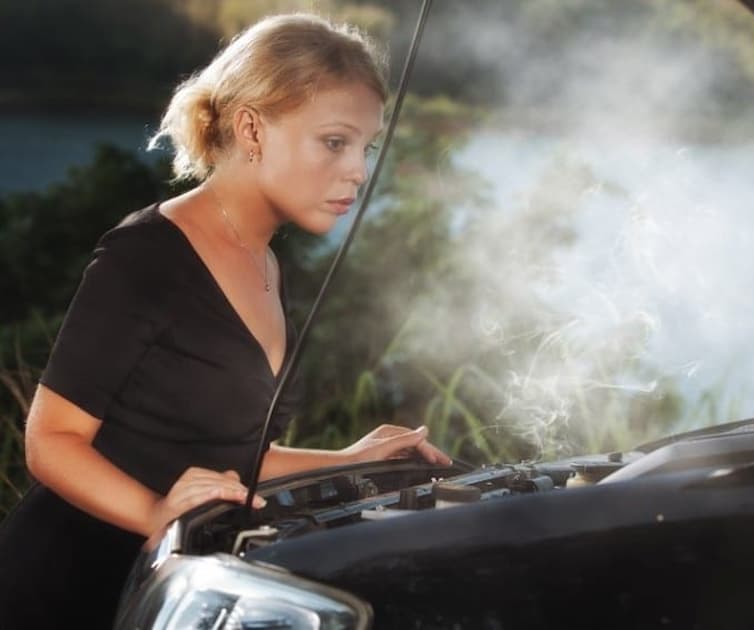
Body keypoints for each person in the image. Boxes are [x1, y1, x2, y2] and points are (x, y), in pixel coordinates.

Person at [0, 13, 450, 628]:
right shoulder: (146, 255)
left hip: (170, 587)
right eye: (335, 142)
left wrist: (352, 456)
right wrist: (154, 512)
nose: (358, 172)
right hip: (64, 585)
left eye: (365, 148)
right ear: (251, 129)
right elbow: (50, 441)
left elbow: (231, 456)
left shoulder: (265, 262)